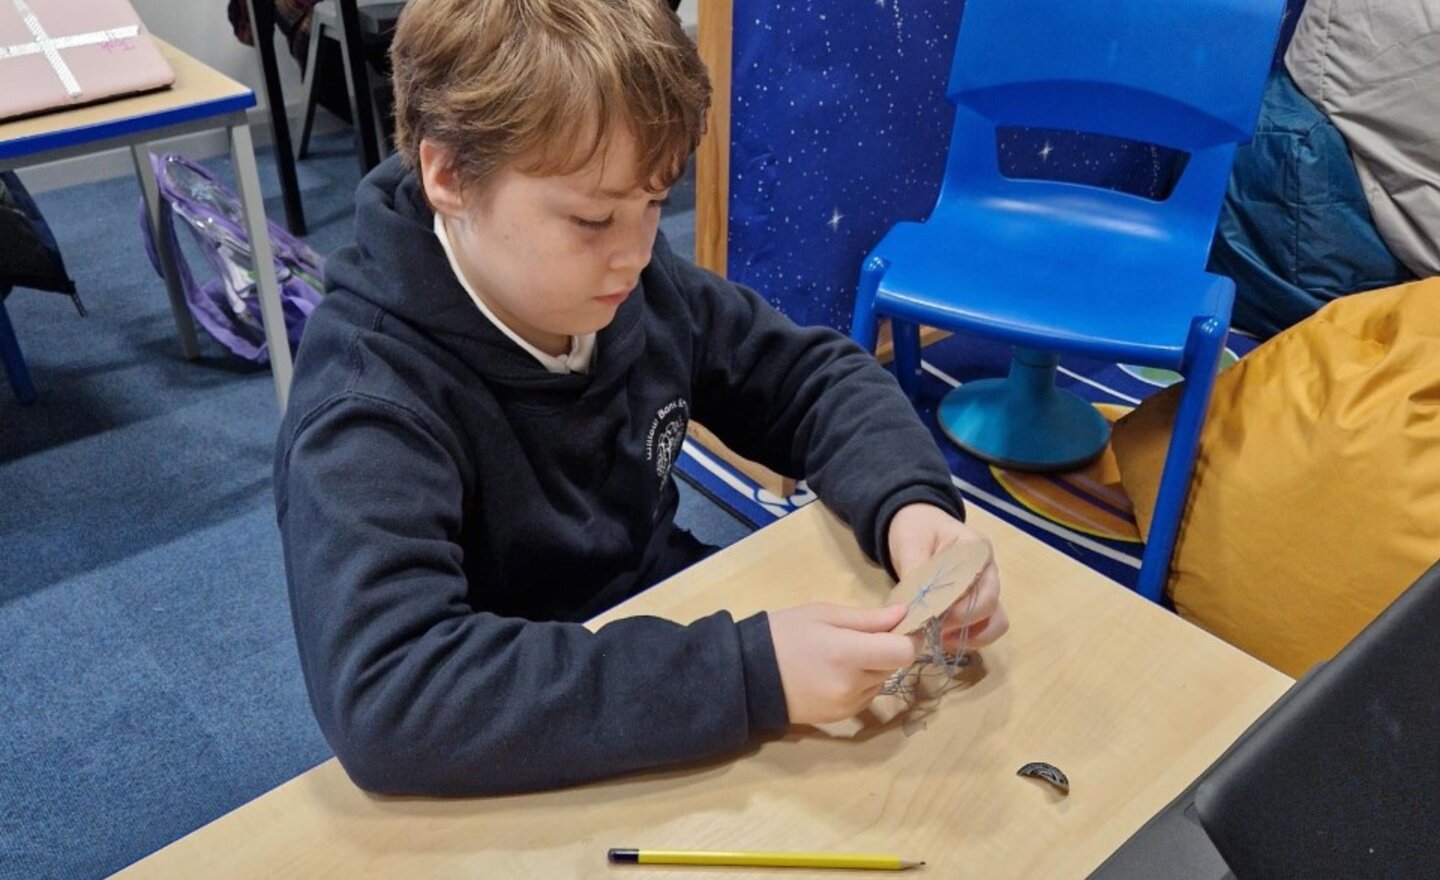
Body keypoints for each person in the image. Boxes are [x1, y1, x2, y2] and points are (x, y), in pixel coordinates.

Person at [274, 0, 1007, 797]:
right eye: (592, 219)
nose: (634, 254)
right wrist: (748, 676)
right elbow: (394, 696)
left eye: (655, 203)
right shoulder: (367, 401)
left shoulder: (633, 285)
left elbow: (810, 379)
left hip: (665, 651)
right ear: (448, 174)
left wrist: (910, 508)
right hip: (515, 744)